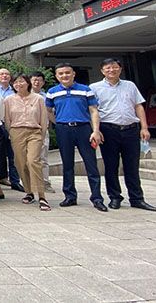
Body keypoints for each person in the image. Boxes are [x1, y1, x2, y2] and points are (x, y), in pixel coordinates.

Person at [90, 58, 156, 211]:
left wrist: (144, 127)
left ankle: (137, 198)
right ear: (102, 71)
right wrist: (96, 130)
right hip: (108, 130)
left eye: (114, 67)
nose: (111, 70)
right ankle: (115, 197)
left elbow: (138, 106)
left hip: (131, 130)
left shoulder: (130, 85)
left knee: (132, 166)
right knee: (111, 166)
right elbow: (93, 110)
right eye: (108, 68)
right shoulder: (94, 88)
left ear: (120, 69)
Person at [46, 63, 106, 212]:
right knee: (67, 164)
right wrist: (59, 123)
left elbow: (93, 110)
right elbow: (48, 111)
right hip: (63, 129)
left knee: (91, 164)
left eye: (67, 73)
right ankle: (70, 196)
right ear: (56, 76)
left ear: (73, 74)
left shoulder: (85, 90)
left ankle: (97, 198)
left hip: (83, 128)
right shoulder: (52, 92)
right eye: (61, 73)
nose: (64, 76)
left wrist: (96, 131)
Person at [5, 74, 50, 211]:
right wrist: (12, 133)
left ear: (28, 83)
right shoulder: (9, 100)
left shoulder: (38, 99)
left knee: (33, 161)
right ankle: (29, 191)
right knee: (21, 162)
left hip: (34, 131)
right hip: (16, 132)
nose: (19, 84)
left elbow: (43, 119)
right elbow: (7, 120)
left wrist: (42, 136)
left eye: (22, 81)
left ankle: (42, 195)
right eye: (16, 82)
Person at [0, 68, 24, 193]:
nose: (4, 76)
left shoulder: (16, 91)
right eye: (1, 74)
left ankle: (15, 181)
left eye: (6, 74)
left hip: (13, 124)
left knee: (13, 154)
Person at [30, 71, 55, 193]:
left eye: (39, 80)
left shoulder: (47, 97)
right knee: (29, 158)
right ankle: (30, 183)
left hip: (42, 129)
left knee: (43, 157)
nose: (37, 82)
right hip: (27, 129)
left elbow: (50, 113)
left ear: (43, 82)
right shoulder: (24, 96)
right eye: (34, 80)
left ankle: (45, 182)